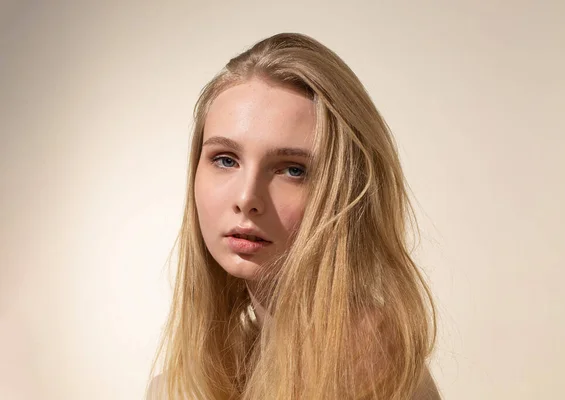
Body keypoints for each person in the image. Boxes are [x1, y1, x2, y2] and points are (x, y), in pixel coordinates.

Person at [146, 32, 441, 400]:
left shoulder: (381, 377)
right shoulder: (178, 388)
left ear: (344, 189)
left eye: (292, 170)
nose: (246, 198)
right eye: (225, 159)